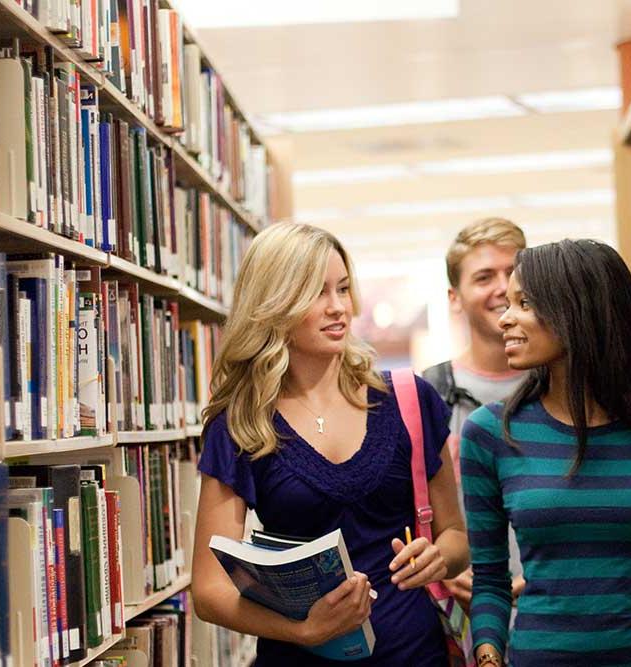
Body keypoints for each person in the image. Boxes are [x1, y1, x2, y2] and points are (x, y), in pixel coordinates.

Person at [190, 222, 469, 666]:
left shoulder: (410, 401)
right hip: (297, 658)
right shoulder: (242, 423)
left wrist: (438, 559)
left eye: (343, 289)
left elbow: (456, 536)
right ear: (274, 304)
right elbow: (208, 591)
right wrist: (303, 630)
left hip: (414, 654)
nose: (339, 308)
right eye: (317, 294)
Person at [461, 239, 631, 667]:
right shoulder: (489, 433)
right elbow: (490, 579)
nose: (504, 319)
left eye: (524, 303)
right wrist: (488, 654)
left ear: (578, 311)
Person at [422, 218, 527, 612]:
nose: (503, 287)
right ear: (455, 297)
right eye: (484, 277)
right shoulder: (428, 394)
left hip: (555, 608)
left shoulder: (566, 386)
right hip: (463, 609)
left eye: (513, 272)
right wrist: (445, 567)